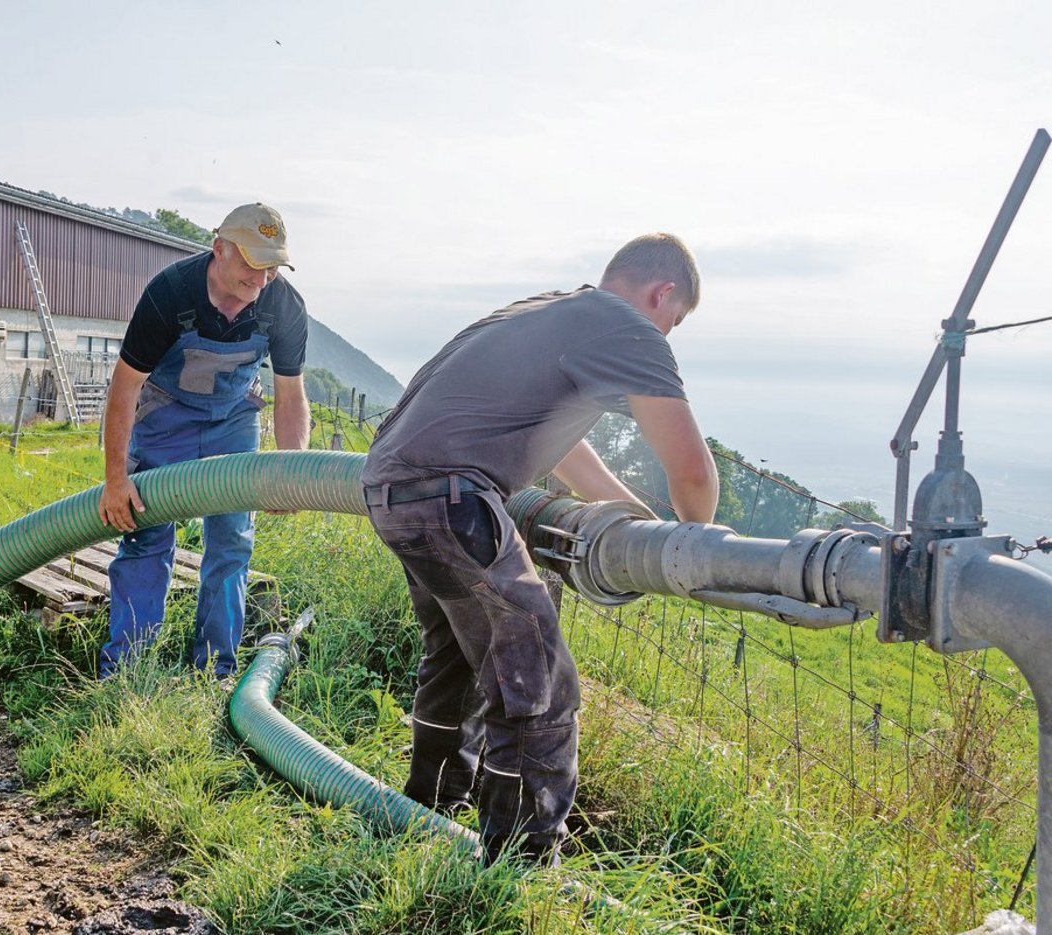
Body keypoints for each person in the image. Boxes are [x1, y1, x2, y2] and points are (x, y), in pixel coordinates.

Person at [361, 233, 719, 865]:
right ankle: (520, 866)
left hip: (396, 491)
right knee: (538, 681)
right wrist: (695, 546)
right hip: (452, 499)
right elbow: (691, 471)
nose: (669, 334)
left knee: (459, 659)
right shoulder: (628, 329)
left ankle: (427, 815)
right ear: (662, 294)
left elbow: (557, 441)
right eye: (676, 321)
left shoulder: (544, 311)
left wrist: (633, 513)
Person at [97, 203, 311, 679]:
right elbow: (125, 387)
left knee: (232, 542)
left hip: (233, 421)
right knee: (144, 534)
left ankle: (214, 667)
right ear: (219, 250)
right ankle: (127, 669)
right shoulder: (170, 293)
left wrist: (293, 470)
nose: (261, 280)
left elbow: (291, 394)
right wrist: (115, 480)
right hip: (164, 419)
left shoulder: (283, 305)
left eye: (272, 267)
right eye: (253, 265)